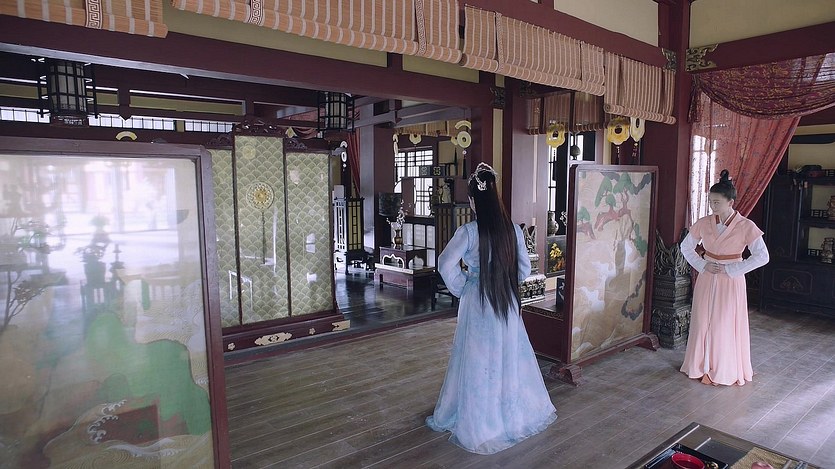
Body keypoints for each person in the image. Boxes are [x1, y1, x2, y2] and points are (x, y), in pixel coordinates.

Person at [425, 162, 557, 454]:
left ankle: (480, 418)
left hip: (478, 298)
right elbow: (524, 270)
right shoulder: (512, 230)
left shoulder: (469, 232)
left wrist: (464, 286)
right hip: (504, 298)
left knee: (477, 358)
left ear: (474, 200)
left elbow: (445, 263)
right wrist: (503, 279)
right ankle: (508, 412)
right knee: (507, 355)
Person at [680, 170, 769, 386]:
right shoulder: (704, 222)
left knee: (724, 323)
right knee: (702, 320)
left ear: (730, 202)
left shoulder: (746, 226)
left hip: (731, 280)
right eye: (711, 202)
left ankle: (724, 369)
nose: (713, 206)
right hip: (707, 276)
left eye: (717, 202)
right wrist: (702, 265)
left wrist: (733, 269)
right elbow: (686, 247)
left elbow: (762, 256)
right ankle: (699, 365)